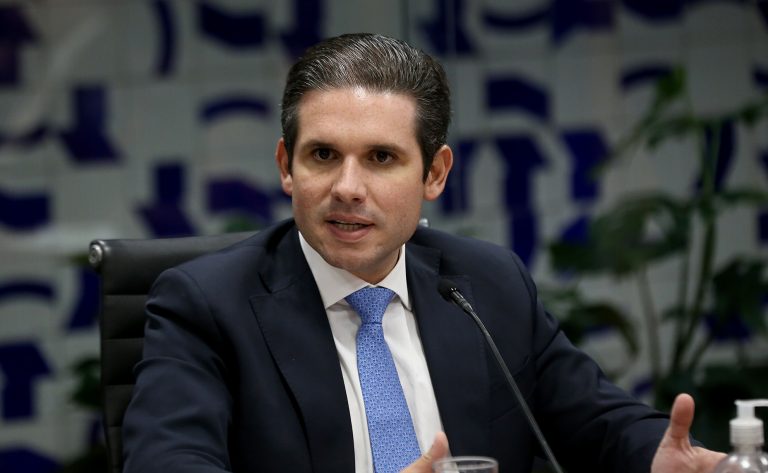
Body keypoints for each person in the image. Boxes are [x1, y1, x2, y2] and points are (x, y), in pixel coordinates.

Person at [122, 33, 725, 473]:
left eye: (381, 158)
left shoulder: (486, 284)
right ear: (286, 166)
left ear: (434, 174)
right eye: (323, 155)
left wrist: (660, 459)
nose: (347, 187)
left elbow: (596, 420)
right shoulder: (207, 307)